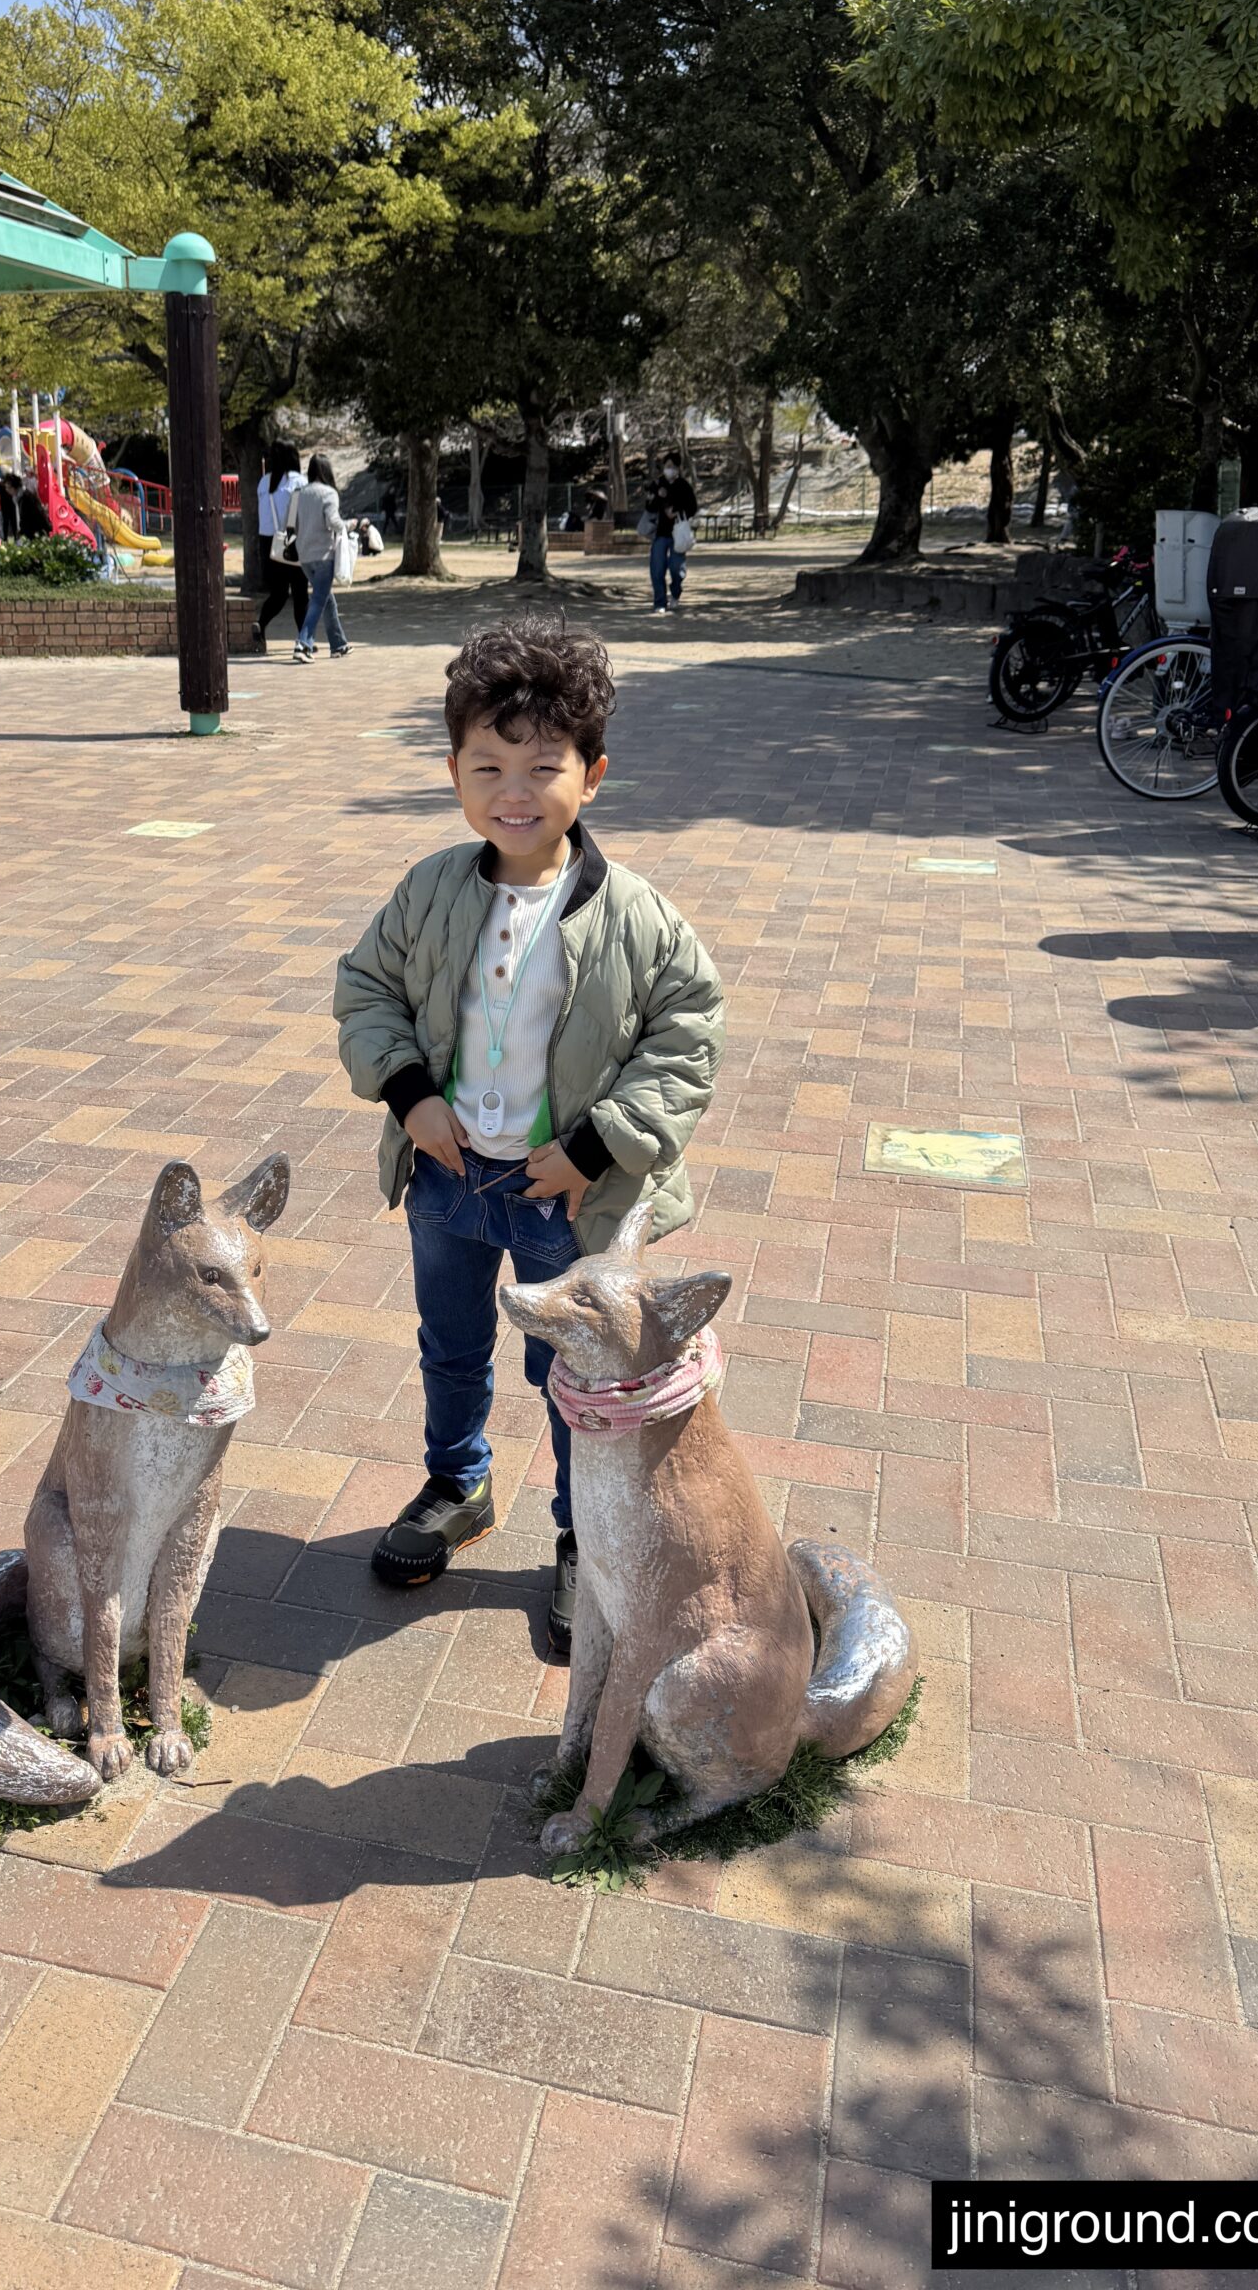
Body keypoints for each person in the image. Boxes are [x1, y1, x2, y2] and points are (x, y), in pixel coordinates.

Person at [333, 617, 724, 1657]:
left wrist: (596, 1148)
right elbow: (365, 988)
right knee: (450, 1345)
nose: (515, 790)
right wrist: (410, 1094)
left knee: (579, 1378)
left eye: (543, 767)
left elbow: (687, 1037)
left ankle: (578, 1532)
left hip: (570, 1195)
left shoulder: (637, 916)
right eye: (488, 765)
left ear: (591, 775)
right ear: (454, 771)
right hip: (449, 1178)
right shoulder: (430, 890)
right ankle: (457, 1482)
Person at [290, 452, 348, 664]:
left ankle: (338, 644)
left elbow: (292, 524)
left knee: (325, 597)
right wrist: (348, 526)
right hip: (324, 554)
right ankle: (303, 643)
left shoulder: (300, 493)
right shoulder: (328, 493)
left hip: (304, 555)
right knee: (317, 600)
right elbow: (333, 521)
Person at [253, 441, 308, 652]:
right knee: (300, 593)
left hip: (268, 544)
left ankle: (261, 624)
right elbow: (299, 515)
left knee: (278, 594)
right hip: (291, 541)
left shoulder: (263, 483)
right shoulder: (298, 482)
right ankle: (304, 638)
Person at [643, 452, 699, 611]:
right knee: (657, 569)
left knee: (676, 568)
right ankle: (660, 602)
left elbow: (692, 507)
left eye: (673, 467)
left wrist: (677, 511)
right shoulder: (658, 484)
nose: (670, 470)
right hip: (660, 533)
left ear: (678, 468)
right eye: (667, 467)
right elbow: (649, 507)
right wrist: (657, 497)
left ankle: (675, 592)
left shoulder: (684, 486)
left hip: (678, 534)